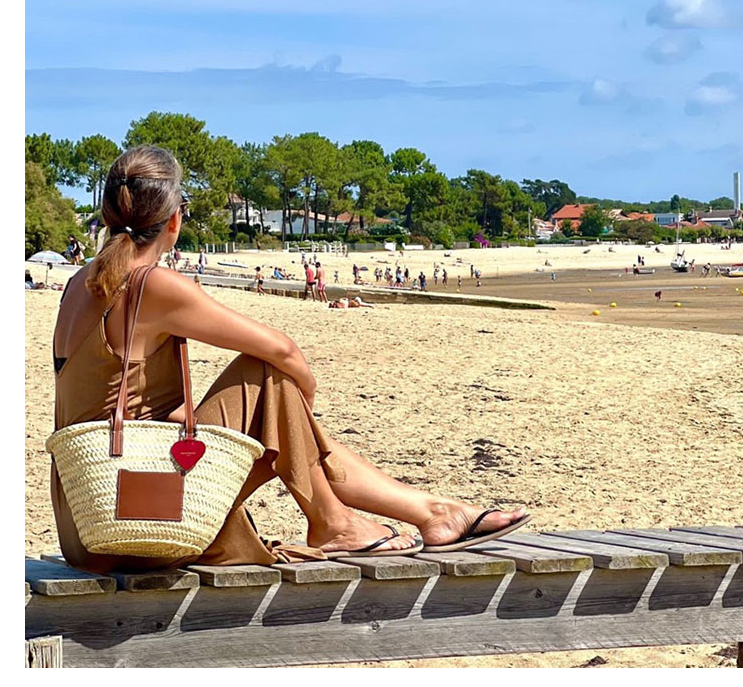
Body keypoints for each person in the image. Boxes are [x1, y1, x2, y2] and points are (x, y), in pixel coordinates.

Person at [49, 146, 530, 573]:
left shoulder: (77, 287)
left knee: (274, 393)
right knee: (270, 373)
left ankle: (432, 511)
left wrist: (287, 423)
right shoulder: (154, 286)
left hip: (86, 524)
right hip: (137, 519)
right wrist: (300, 402)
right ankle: (337, 522)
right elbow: (282, 350)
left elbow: (112, 406)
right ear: (175, 219)